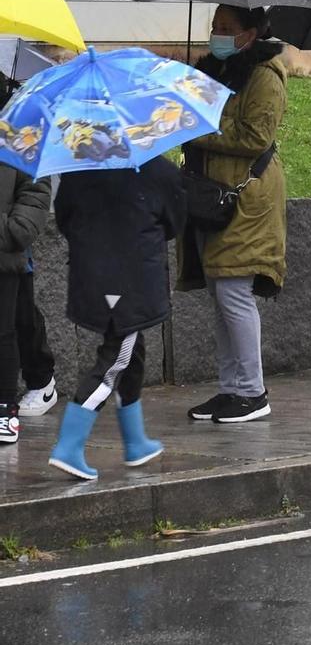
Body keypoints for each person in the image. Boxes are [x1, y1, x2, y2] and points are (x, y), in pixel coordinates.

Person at [180, 4, 288, 425]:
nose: (217, 35)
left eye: (227, 28)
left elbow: (255, 134)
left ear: (250, 33)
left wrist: (199, 125)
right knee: (219, 294)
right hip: (211, 195)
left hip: (247, 197)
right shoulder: (214, 71)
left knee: (233, 292)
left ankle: (252, 391)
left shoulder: (265, 75)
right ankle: (230, 388)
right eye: (214, 27)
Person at [48, 157, 185, 480]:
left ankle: (135, 441)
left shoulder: (78, 170)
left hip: (92, 275)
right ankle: (68, 446)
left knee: (131, 353)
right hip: (132, 281)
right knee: (115, 361)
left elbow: (65, 219)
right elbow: (175, 222)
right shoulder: (158, 171)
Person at [0, 135, 54, 447]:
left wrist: (11, 231)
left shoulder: (21, 138)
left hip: (5, 257)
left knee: (5, 332)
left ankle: (6, 409)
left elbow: (34, 199)